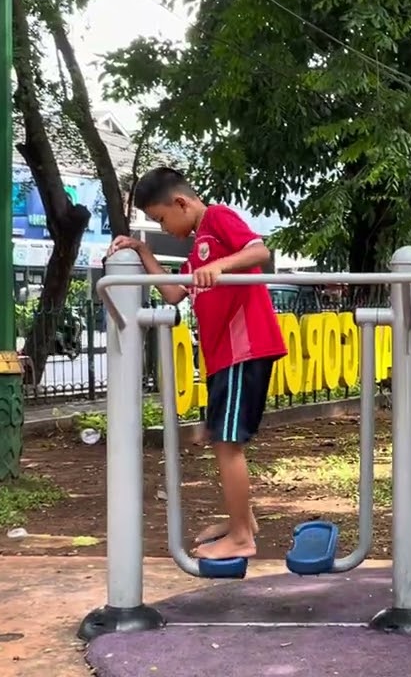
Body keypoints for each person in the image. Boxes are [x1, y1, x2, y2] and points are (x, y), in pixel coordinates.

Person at [107, 167, 287, 562]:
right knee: (219, 437)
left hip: (245, 347)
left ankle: (242, 536)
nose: (164, 226)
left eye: (161, 219)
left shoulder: (218, 218)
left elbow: (259, 251)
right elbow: (173, 293)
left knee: (228, 442)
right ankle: (244, 520)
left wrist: (220, 266)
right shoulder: (198, 247)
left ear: (181, 203)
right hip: (224, 357)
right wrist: (144, 253)